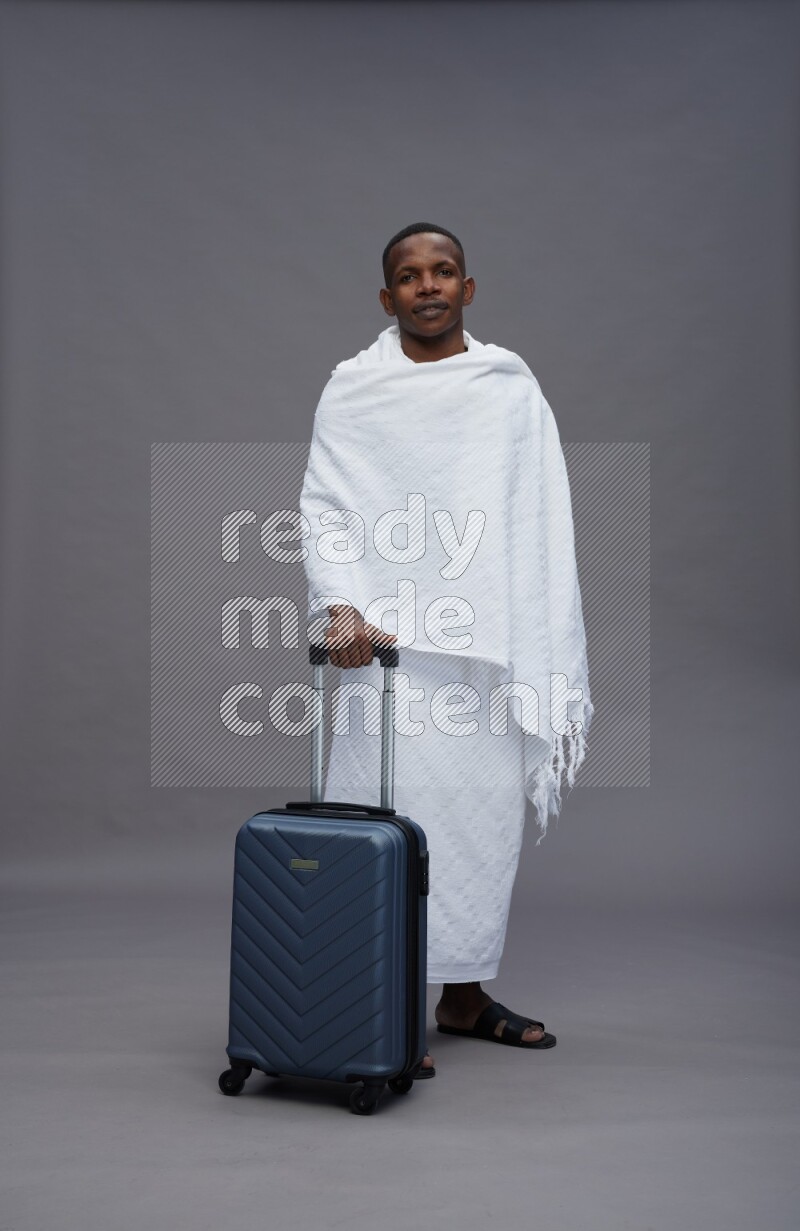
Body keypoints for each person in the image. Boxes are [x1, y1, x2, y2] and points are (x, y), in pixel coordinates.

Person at [299, 223, 593, 1077]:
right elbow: (325, 505)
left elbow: (538, 518)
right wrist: (342, 606)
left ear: (468, 288)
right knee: (379, 815)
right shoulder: (353, 390)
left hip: (484, 645)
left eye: (444, 271)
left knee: (476, 819)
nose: (427, 285)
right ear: (386, 298)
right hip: (382, 647)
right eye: (408, 275)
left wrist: (522, 630)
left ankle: (460, 998)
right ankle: (377, 1000)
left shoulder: (508, 388)